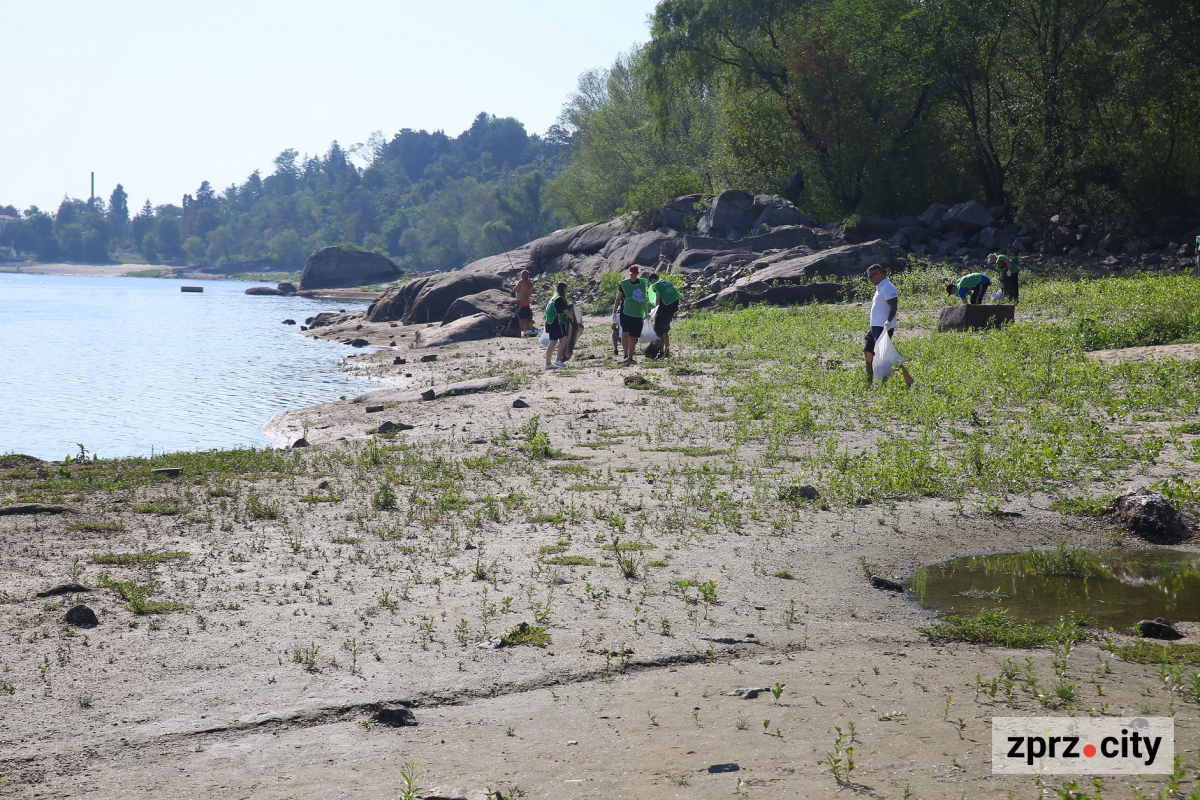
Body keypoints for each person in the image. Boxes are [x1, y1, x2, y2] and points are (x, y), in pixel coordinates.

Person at [864, 264, 913, 388]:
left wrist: (888, 321)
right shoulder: (880, 288)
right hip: (875, 326)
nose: (870, 280)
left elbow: (893, 306)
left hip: (883, 327)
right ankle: (869, 383)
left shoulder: (888, 287)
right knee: (868, 351)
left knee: (887, 356)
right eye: (868, 278)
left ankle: (908, 380)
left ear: (879, 274)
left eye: (871, 277)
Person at [612, 264, 650, 366]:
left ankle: (630, 357)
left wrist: (646, 313)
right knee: (625, 333)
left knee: (633, 336)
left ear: (637, 274)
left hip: (637, 313)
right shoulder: (624, 284)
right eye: (631, 274)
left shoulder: (642, 283)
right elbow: (618, 299)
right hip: (626, 312)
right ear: (630, 274)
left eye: (634, 274)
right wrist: (614, 312)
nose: (633, 276)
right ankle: (625, 354)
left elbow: (645, 297)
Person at [646, 272, 681, 359]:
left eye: (651, 283)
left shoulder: (657, 285)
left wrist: (654, 311)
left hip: (664, 309)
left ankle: (658, 352)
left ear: (652, 280)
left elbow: (658, 301)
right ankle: (666, 351)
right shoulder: (666, 282)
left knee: (658, 331)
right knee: (665, 330)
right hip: (672, 308)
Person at [542, 282, 572, 370]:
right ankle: (558, 359)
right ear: (563, 289)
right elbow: (566, 312)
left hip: (549, 322)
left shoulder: (553, 298)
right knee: (565, 340)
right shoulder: (559, 298)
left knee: (552, 343)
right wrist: (573, 319)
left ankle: (548, 364)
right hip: (556, 322)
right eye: (566, 289)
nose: (567, 291)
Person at [514, 270, 535, 336]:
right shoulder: (530, 283)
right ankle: (525, 331)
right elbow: (530, 293)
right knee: (526, 317)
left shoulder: (521, 282)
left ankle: (520, 331)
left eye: (521, 274)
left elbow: (514, 290)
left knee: (520, 316)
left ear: (523, 275)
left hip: (520, 301)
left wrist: (517, 284)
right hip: (527, 301)